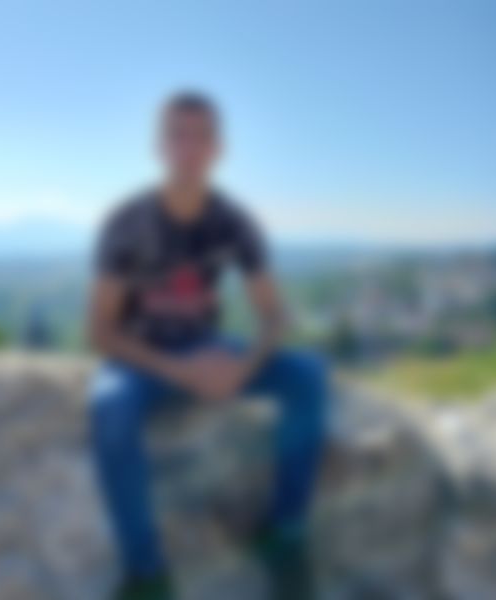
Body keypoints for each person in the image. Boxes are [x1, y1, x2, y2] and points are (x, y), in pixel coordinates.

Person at [87, 92, 328, 600]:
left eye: (201, 136)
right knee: (110, 408)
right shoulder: (126, 222)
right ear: (158, 146)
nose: (189, 147)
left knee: (308, 376)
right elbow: (101, 331)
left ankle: (286, 530)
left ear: (219, 149)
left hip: (209, 346)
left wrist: (243, 369)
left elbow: (274, 314)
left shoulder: (234, 222)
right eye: (177, 134)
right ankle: (146, 573)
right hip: (144, 359)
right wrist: (181, 371)